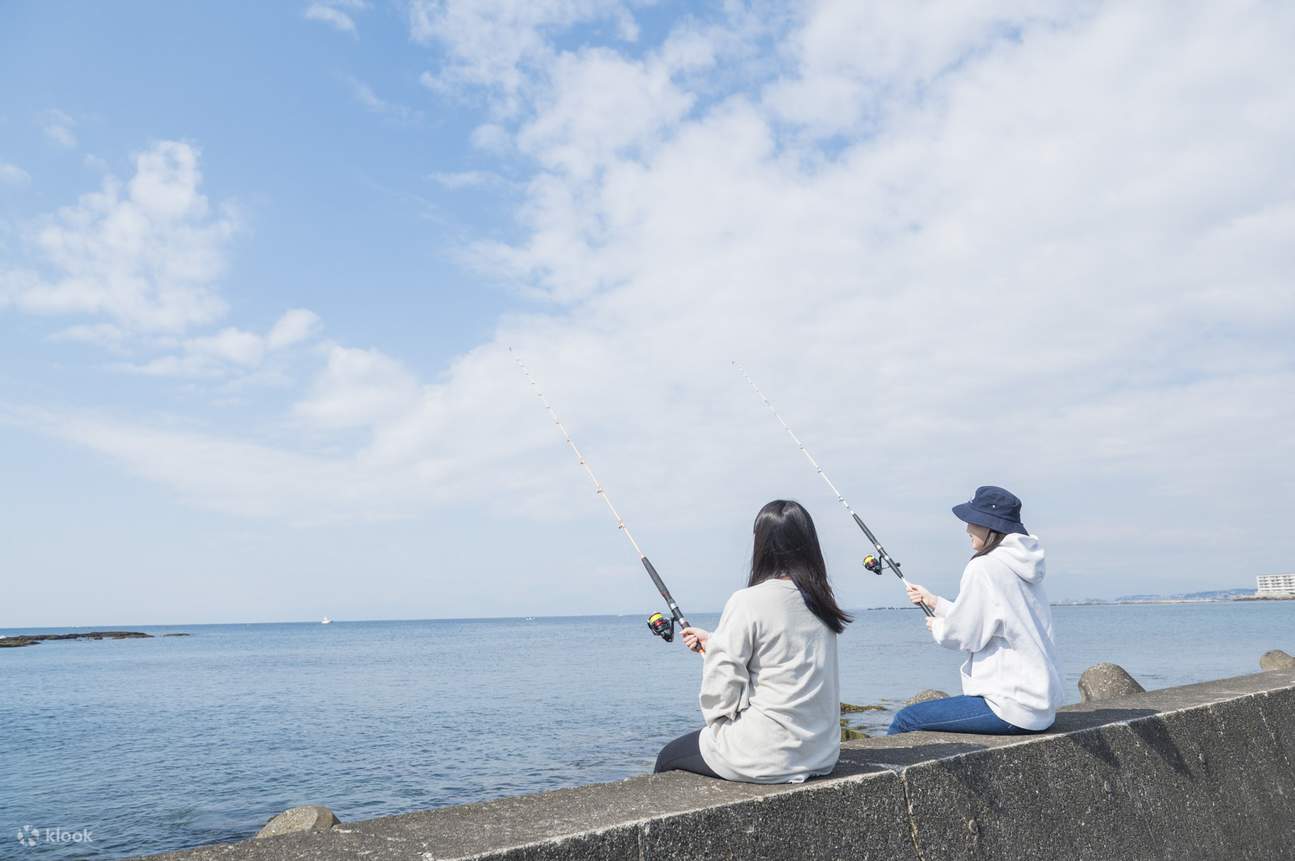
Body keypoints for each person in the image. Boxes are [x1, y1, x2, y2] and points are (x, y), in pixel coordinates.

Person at [653, 500, 851, 782]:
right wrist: (715, 642)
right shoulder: (821, 603)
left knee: (667, 757)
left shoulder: (747, 601)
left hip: (765, 755)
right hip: (821, 754)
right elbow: (784, 658)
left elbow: (721, 691)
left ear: (762, 545)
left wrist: (719, 723)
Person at [888, 485, 1062, 735]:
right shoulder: (1023, 565)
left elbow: (964, 636)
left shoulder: (983, 567)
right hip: (1040, 708)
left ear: (991, 526)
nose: (967, 529)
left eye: (973, 521)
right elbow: (992, 619)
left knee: (906, 719)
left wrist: (938, 626)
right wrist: (935, 603)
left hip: (1010, 707)